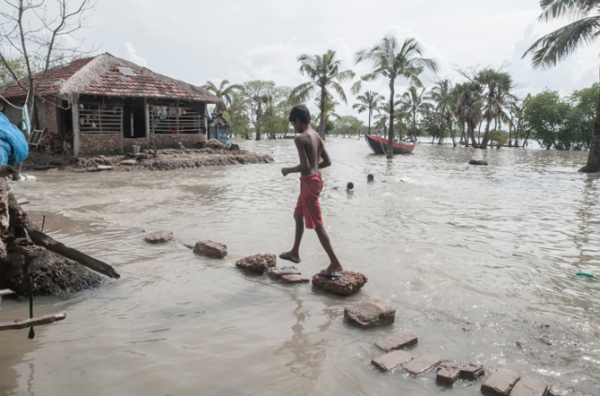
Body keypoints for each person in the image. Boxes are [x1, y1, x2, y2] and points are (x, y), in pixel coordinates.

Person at [279, 105, 344, 279]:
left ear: (297, 121)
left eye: (293, 124)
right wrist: (314, 168)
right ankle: (294, 252)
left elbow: (305, 166)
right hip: (315, 180)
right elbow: (327, 162)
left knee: (317, 224)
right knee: (297, 215)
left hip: (308, 183)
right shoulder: (317, 136)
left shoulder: (301, 138)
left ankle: (335, 264)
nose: (294, 128)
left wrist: (288, 170)